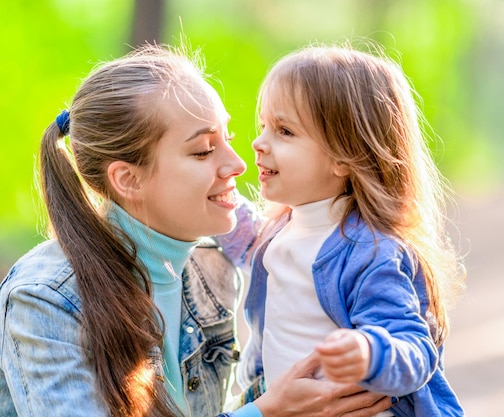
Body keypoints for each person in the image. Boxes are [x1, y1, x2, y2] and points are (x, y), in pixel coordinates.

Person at [0, 44, 394, 417]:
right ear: (128, 179)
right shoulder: (45, 300)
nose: (239, 165)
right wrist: (267, 410)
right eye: (204, 150)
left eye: (229, 140)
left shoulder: (212, 264)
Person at [237, 43, 466, 417]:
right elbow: (233, 226)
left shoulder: (370, 252)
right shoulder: (281, 230)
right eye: (264, 126)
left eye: (284, 131)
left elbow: (415, 349)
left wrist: (370, 354)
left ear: (344, 157)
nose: (259, 143)